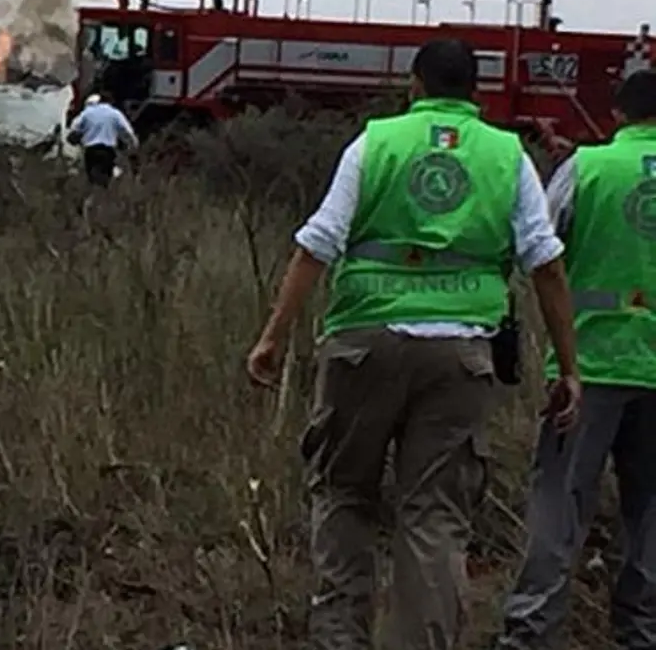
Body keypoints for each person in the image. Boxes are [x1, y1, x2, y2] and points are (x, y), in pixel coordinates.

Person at [244, 36, 582, 650]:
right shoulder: (507, 154)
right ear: (474, 92)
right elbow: (547, 264)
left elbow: (317, 243)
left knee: (346, 495)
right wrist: (570, 368)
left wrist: (273, 337)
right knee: (434, 515)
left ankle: (340, 641)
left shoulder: (375, 143)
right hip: (461, 357)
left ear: (415, 85)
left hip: (362, 344)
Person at [497, 69, 656, 650]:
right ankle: (642, 631)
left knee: (558, 504)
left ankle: (533, 633)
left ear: (617, 115)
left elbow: (540, 247)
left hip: (589, 365)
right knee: (650, 514)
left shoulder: (586, 168)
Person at [66, 91, 137, 187]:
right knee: (105, 180)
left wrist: (75, 138)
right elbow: (127, 131)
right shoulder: (115, 113)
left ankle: (92, 194)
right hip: (107, 151)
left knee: (92, 178)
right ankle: (102, 196)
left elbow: (75, 129)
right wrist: (133, 145)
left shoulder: (87, 112)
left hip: (90, 151)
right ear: (111, 102)